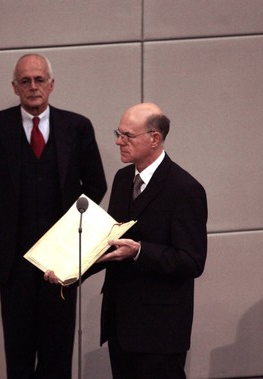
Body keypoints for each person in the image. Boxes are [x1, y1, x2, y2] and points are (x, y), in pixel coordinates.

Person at [0, 53, 107, 378]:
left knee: (57, 356)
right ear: (15, 87)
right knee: (17, 358)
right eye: (25, 81)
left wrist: (72, 236)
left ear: (51, 84)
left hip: (59, 263)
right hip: (13, 262)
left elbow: (96, 184)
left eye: (39, 80)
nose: (33, 87)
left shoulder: (77, 126)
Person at [48, 103, 208, 378]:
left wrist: (140, 251)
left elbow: (192, 261)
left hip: (160, 332)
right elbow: (110, 241)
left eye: (127, 136)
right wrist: (72, 271)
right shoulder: (123, 179)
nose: (118, 141)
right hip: (120, 323)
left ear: (154, 139)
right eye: (118, 133)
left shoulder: (185, 189)